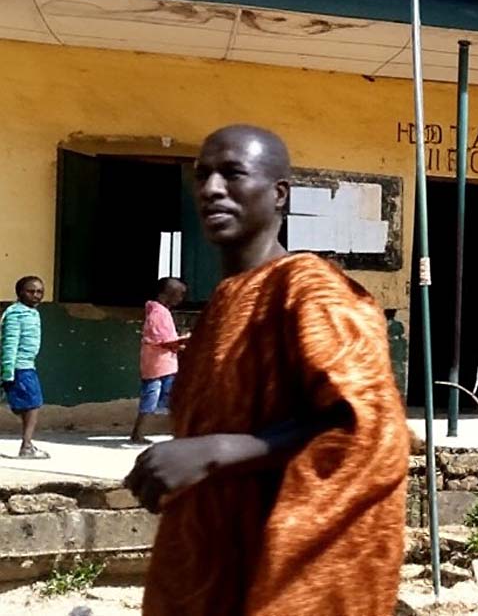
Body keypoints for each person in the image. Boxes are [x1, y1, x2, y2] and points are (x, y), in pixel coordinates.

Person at [125, 125, 409, 616]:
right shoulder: (225, 302)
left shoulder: (311, 289)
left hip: (278, 568)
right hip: (213, 560)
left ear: (280, 194)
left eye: (233, 174)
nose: (212, 189)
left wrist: (218, 451)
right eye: (202, 176)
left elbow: (369, 425)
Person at [128, 277, 189, 445]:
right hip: (158, 366)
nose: (181, 298)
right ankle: (138, 433)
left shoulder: (160, 312)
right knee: (154, 397)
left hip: (161, 365)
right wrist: (185, 340)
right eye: (178, 294)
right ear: (165, 295)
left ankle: (177, 431)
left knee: (163, 397)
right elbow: (164, 341)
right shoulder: (158, 313)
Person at [1, 276, 49, 459]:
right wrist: (8, 372)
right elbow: (9, 343)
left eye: (40, 292)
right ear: (20, 292)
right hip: (19, 367)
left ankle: (28, 444)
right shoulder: (16, 314)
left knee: (27, 405)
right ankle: (27, 446)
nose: (36, 295)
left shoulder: (32, 312)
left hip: (27, 365)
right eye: (31, 291)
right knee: (33, 405)